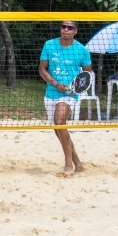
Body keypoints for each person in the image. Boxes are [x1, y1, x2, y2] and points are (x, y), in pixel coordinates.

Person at [38, 20, 92, 175]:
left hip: (69, 93)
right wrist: (56, 84)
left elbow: (87, 74)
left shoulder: (82, 50)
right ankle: (78, 163)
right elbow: (42, 69)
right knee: (58, 128)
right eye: (63, 26)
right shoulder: (49, 45)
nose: (66, 30)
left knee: (60, 121)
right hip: (52, 91)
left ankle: (68, 165)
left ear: (75, 31)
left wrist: (76, 87)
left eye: (70, 27)